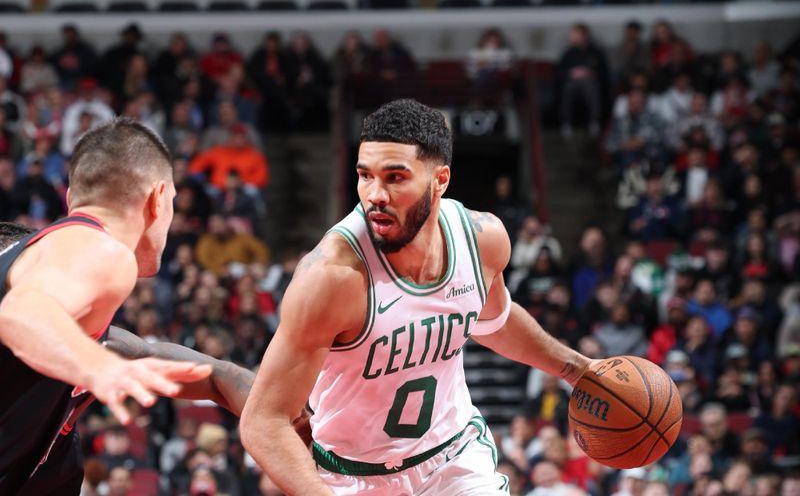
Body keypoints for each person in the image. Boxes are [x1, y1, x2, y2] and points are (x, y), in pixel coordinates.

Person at [241, 99, 599, 495]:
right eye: (365, 176)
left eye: (395, 177)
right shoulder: (331, 277)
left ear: (440, 180)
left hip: (453, 459)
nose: (375, 194)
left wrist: (577, 368)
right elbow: (264, 421)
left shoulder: (482, 239)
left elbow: (492, 322)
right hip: (353, 475)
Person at [0, 119, 216, 492]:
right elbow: (20, 313)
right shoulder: (104, 250)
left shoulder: (40, 256)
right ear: (158, 198)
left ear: (70, 196)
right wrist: (99, 369)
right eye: (173, 204)